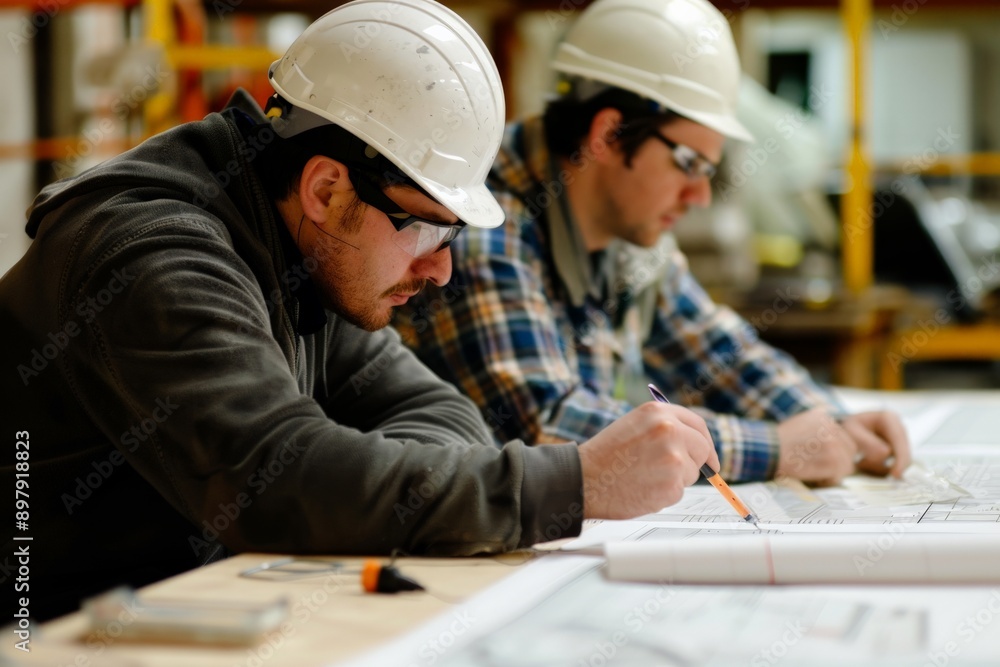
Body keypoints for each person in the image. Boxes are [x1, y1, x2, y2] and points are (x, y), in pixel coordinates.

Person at [1, 0, 719, 622]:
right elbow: (281, 481)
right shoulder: (154, 257)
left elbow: (444, 416)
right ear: (325, 188)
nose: (440, 268)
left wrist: (356, 480)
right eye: (428, 229)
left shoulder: (305, 252)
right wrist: (573, 483)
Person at [395, 0, 911, 487]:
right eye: (689, 164)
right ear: (610, 134)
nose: (701, 195)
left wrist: (826, 421)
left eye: (709, 170)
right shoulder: (484, 223)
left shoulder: (629, 233)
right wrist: (776, 447)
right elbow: (546, 427)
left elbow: (719, 354)